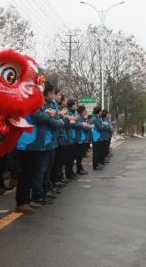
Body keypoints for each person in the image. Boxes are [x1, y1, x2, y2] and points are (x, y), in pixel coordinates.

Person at [14, 81, 63, 212]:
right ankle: (21, 202)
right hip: (27, 143)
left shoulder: (36, 103)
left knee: (30, 173)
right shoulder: (29, 102)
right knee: (26, 174)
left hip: (33, 143)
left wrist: (47, 113)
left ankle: (26, 200)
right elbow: (39, 118)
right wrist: (49, 114)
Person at [75, 105, 91, 175]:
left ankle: (80, 168)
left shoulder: (82, 118)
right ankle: (79, 169)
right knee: (79, 155)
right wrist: (88, 126)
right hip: (81, 138)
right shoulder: (80, 118)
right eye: (85, 110)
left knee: (80, 155)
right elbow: (85, 128)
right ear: (82, 111)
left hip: (82, 138)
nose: (85, 112)